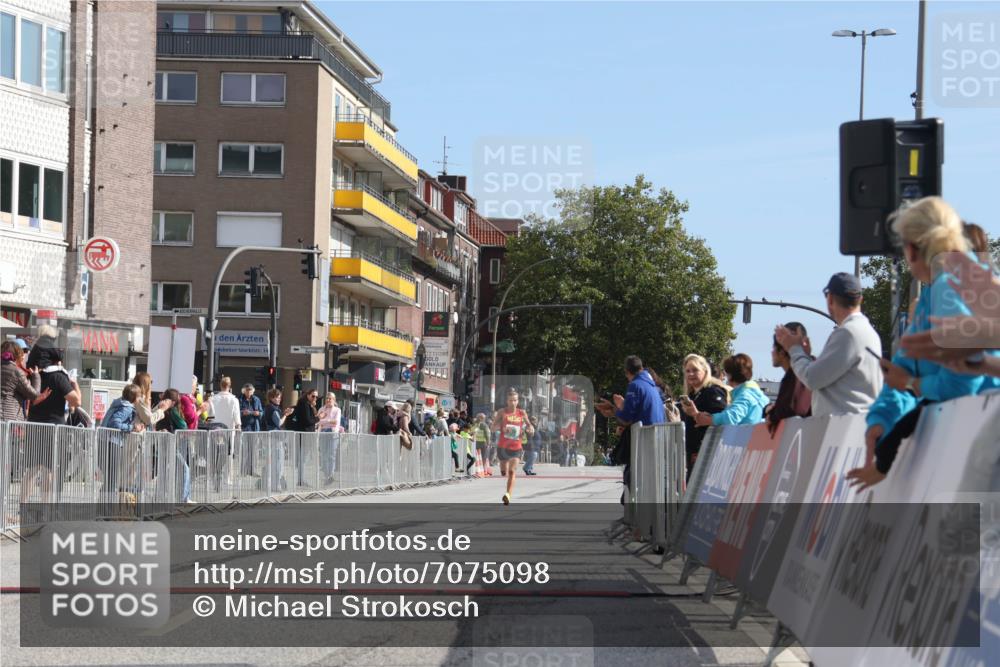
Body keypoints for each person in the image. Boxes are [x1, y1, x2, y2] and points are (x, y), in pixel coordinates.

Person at [847, 197, 998, 490]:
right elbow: (904, 367)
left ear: (913, 249)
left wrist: (913, 385)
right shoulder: (938, 288)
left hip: (981, 439)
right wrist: (883, 417)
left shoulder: (947, 287)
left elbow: (960, 382)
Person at [775, 272, 883, 417]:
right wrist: (804, 356)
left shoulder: (847, 333)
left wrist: (794, 349)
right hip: (857, 423)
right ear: (860, 299)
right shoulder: (868, 332)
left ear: (830, 298)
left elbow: (812, 378)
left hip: (844, 426)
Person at [676, 354, 729, 475]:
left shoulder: (713, 391)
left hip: (708, 455)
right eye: (688, 371)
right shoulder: (692, 394)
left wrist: (696, 414)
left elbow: (722, 419)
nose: (691, 374)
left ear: (705, 371)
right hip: (693, 453)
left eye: (695, 370)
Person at [689, 354, 768, 426]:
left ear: (730, 375)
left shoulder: (745, 395)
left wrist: (710, 419)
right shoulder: (754, 393)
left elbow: (731, 417)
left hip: (744, 437)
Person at [765, 322, 813, 434]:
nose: (771, 352)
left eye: (773, 347)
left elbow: (792, 409)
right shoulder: (794, 374)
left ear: (782, 352)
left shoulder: (797, 375)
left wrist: (771, 415)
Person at [491, 387, 534, 505]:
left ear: (518, 401)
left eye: (515, 400)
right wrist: (503, 428)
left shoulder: (522, 413)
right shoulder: (502, 412)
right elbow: (493, 427)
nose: (513, 403)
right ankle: (502, 469)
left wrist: (530, 429)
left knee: (511, 471)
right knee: (504, 471)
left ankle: (508, 495)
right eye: (511, 400)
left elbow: (529, 425)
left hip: (516, 447)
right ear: (507, 401)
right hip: (503, 447)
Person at [1, 340, 50, 421]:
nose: (24, 354)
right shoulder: (16, 372)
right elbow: (34, 395)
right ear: (17, 355)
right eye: (22, 351)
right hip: (10, 419)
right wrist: (36, 376)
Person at [262, 389, 294, 491]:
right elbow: (279, 423)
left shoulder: (268, 408)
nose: (279, 399)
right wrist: (286, 415)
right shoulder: (273, 409)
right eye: (277, 397)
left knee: (271, 462)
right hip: (275, 438)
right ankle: (275, 485)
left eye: (280, 397)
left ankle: (268, 484)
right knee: (277, 462)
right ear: (271, 398)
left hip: (270, 437)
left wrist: (284, 413)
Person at [317, 393, 343, 484]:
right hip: (323, 432)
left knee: (331, 455)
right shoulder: (321, 409)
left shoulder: (337, 410)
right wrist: (327, 421)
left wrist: (325, 420)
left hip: (332, 433)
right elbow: (318, 421)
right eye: (327, 398)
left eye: (330, 398)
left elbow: (336, 421)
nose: (328, 400)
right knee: (323, 455)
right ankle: (327, 475)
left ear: (334, 400)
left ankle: (330, 475)